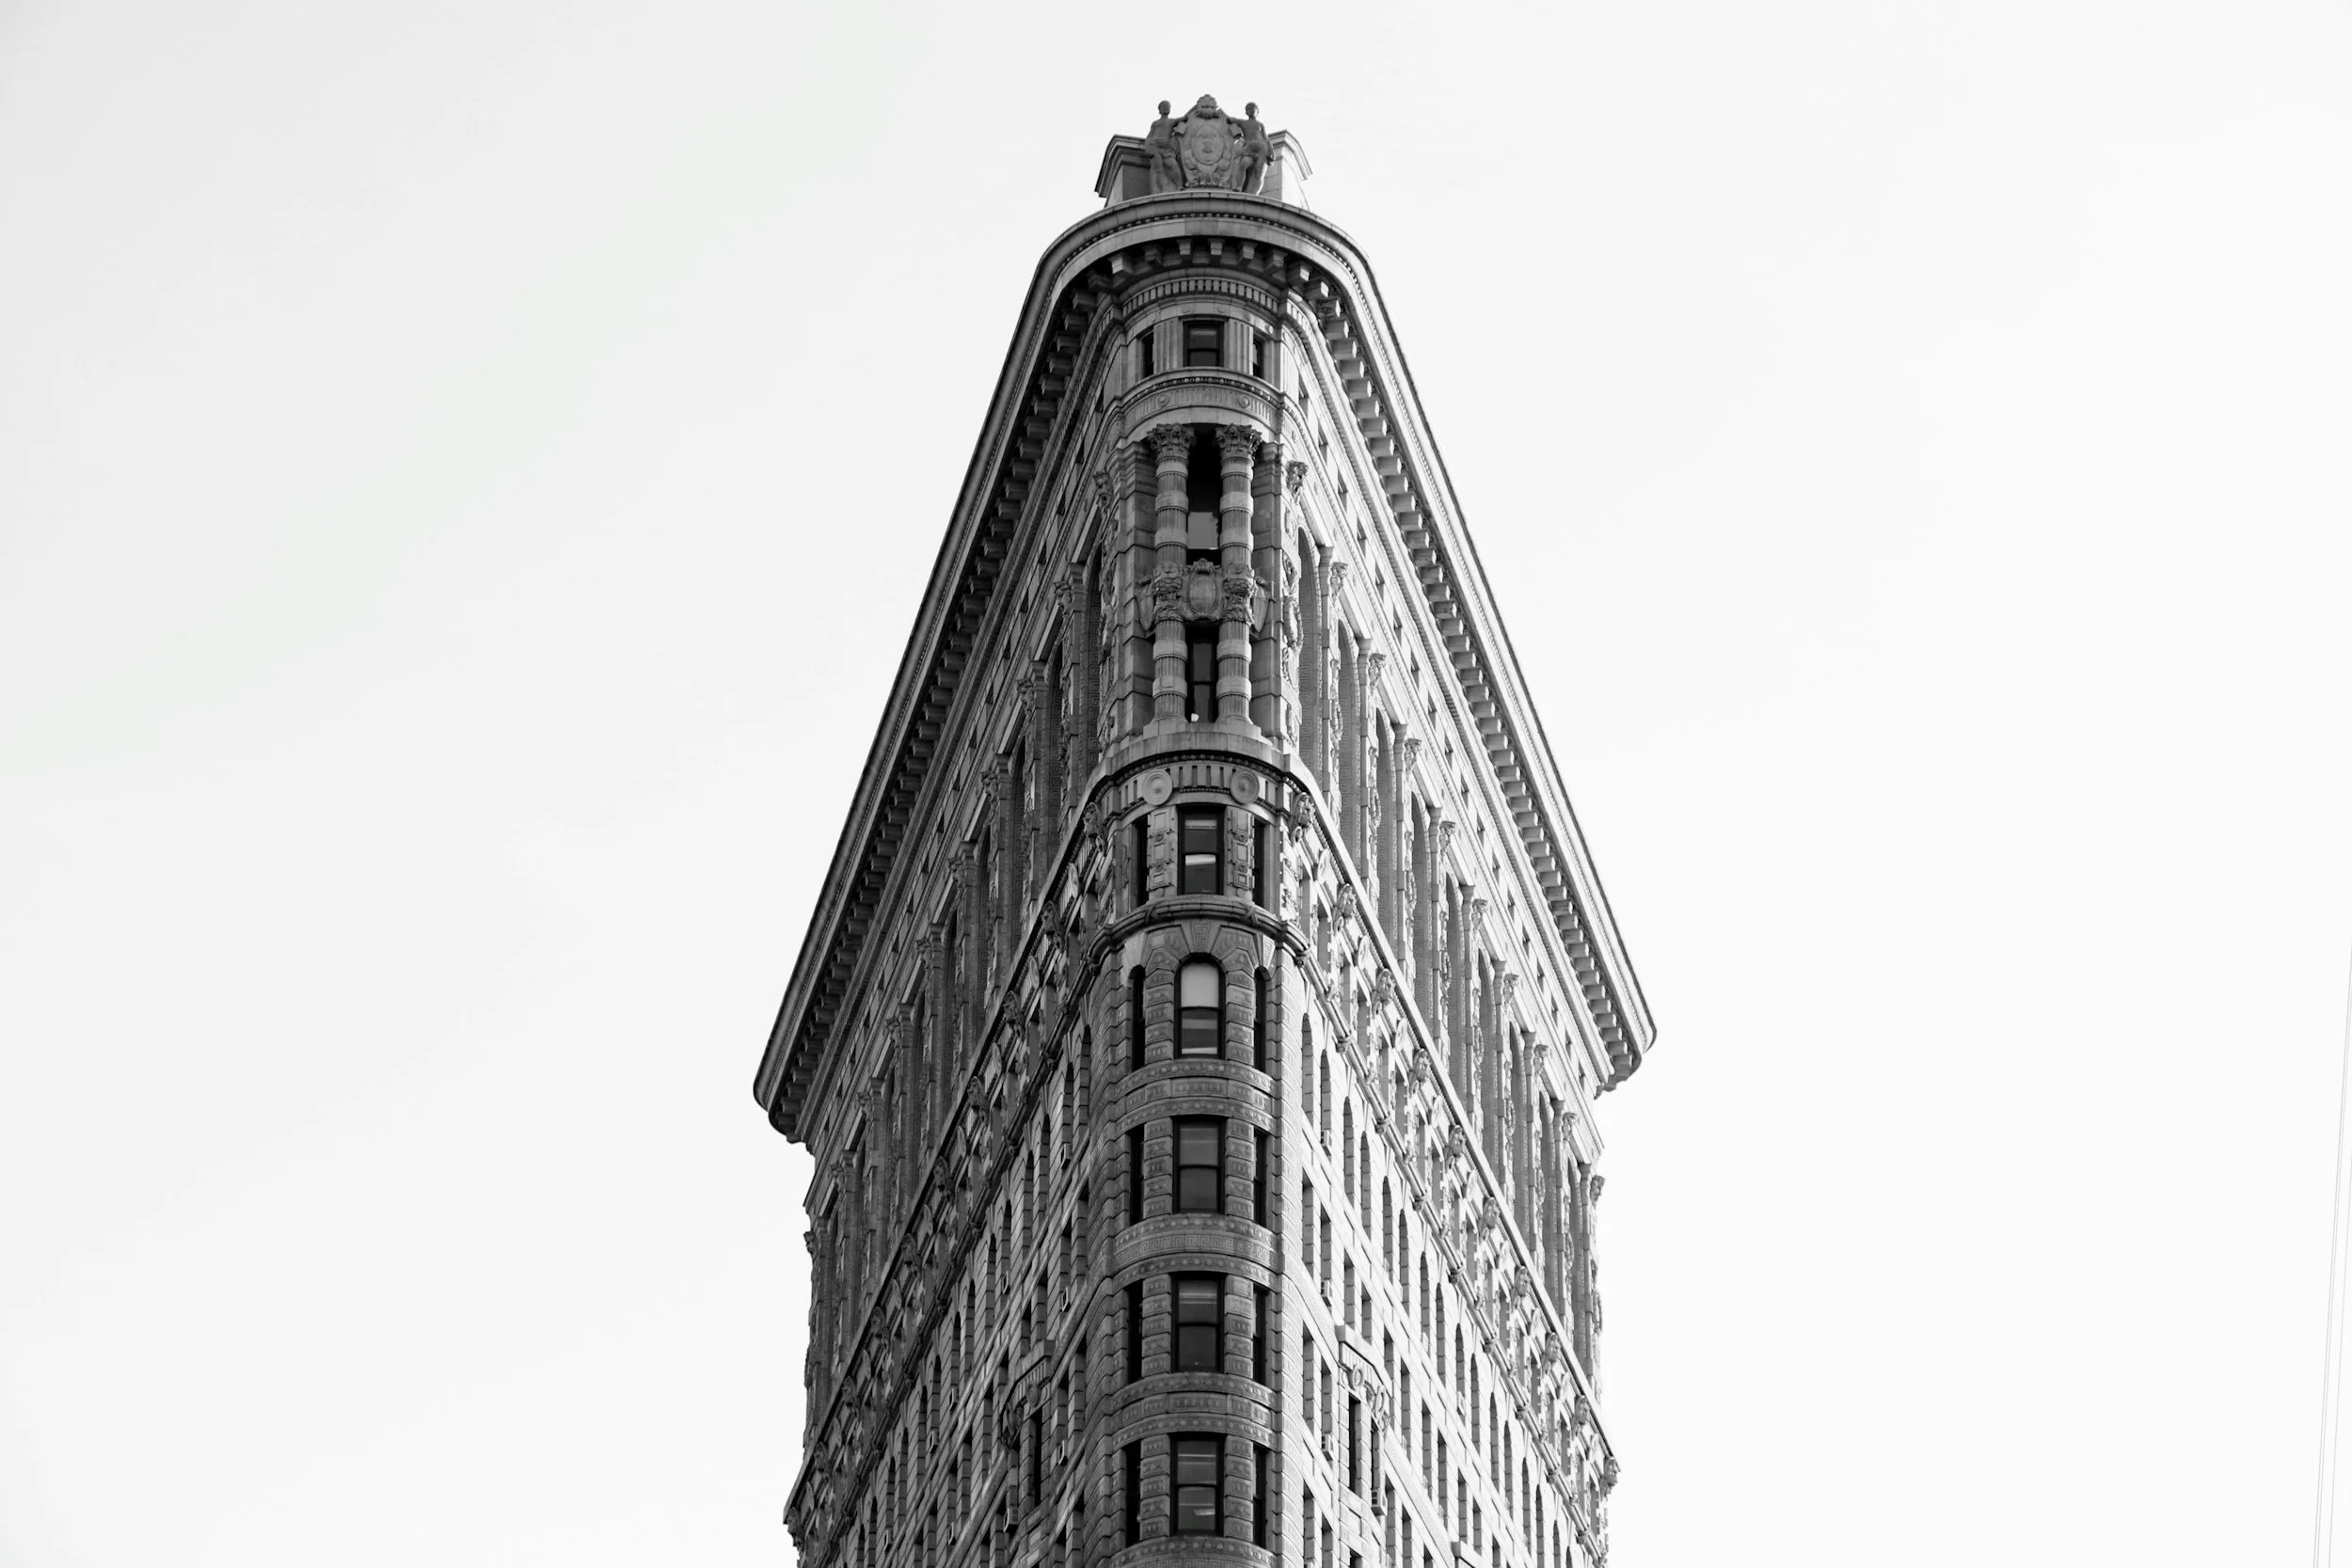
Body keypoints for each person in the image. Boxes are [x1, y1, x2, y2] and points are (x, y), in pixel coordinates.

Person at [1145, 101, 1183, 193]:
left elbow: (1185, 117)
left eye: (1168, 106)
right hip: (1155, 147)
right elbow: (1149, 137)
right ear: (1160, 110)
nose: (1166, 108)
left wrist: (1196, 108)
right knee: (1159, 169)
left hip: (1166, 149)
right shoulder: (1155, 123)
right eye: (1164, 106)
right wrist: (1147, 148)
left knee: (1174, 165)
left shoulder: (1171, 121)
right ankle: (1159, 190)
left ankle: (1179, 186)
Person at [1236, 103, 1271, 193]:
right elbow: (1230, 120)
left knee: (1259, 173)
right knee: (1244, 163)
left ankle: (1254, 193)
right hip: (1249, 150)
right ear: (1246, 112)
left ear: (1257, 111)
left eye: (1253, 108)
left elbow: (1266, 139)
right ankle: (1239, 187)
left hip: (1262, 150)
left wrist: (1271, 151)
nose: (1251, 110)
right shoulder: (1243, 123)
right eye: (1249, 108)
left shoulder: (1260, 125)